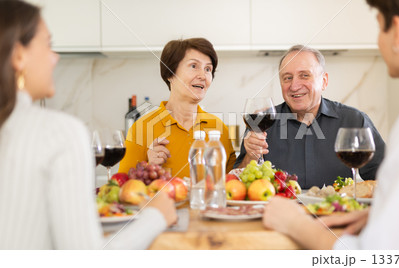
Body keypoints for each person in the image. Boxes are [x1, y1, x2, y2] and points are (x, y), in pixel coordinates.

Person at [263, 0, 399, 249]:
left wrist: (294, 223)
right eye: (287, 78)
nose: (295, 85)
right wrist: (380, 214)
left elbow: (375, 258)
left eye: (380, 28)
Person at [0, 0, 177, 250]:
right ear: (18, 55)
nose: (55, 58)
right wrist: (156, 217)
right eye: (48, 45)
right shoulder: (59, 133)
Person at [235, 45, 385, 188]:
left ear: (324, 81)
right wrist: (251, 156)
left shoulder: (354, 120)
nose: (294, 86)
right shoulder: (261, 124)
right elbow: (238, 184)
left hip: (337, 212)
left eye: (304, 75)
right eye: (287, 78)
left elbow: (387, 176)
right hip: (281, 213)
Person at [119, 38, 236, 178]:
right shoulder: (142, 128)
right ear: (170, 73)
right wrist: (147, 169)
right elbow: (123, 189)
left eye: (208, 69)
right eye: (194, 66)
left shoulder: (219, 128)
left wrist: (251, 155)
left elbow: (233, 185)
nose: (203, 76)